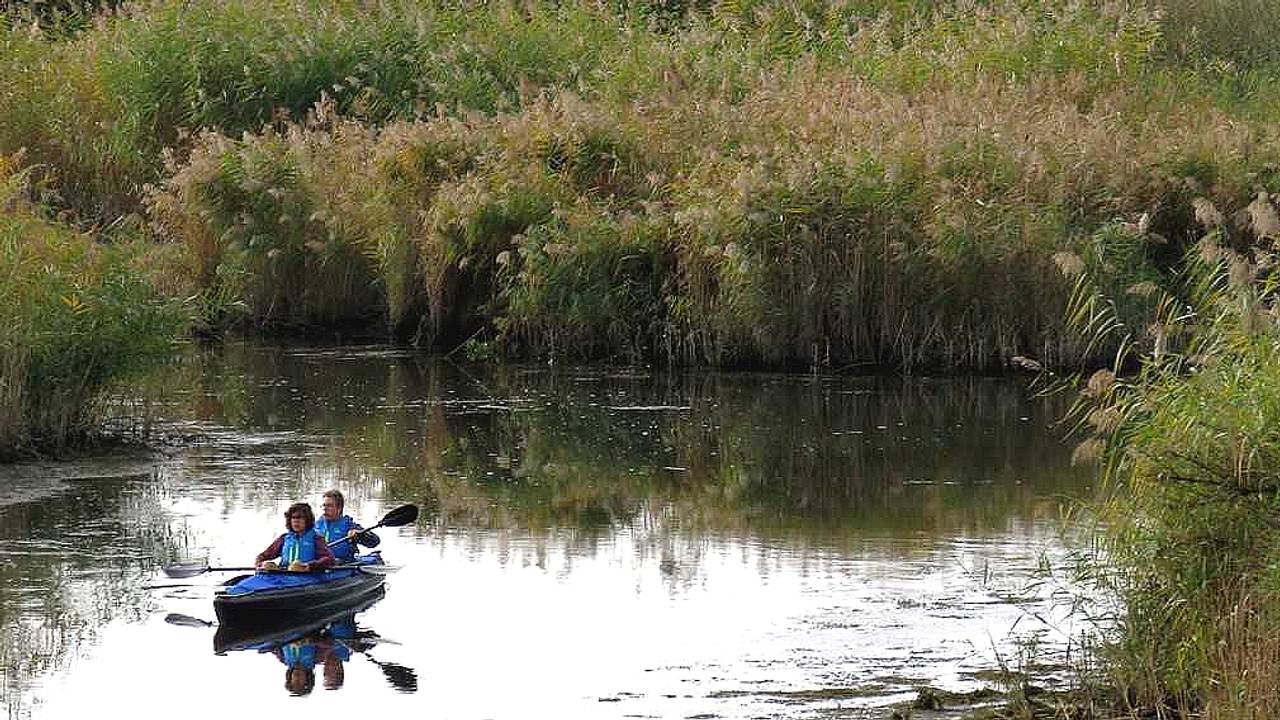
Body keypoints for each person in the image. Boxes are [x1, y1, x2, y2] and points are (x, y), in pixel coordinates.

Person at [256, 502, 335, 572]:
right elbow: (261, 557)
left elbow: (329, 559)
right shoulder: (284, 538)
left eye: (300, 517)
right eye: (293, 517)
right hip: (284, 576)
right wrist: (262, 564)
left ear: (307, 520)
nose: (296, 521)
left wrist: (309, 566)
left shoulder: (316, 538)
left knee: (295, 566)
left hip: (307, 576)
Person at [315, 489, 380, 563]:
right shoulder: (316, 525)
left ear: (339, 508)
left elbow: (375, 541)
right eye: (324, 505)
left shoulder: (349, 525)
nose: (324, 509)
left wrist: (360, 535)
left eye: (329, 506)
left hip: (343, 566)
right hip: (320, 564)